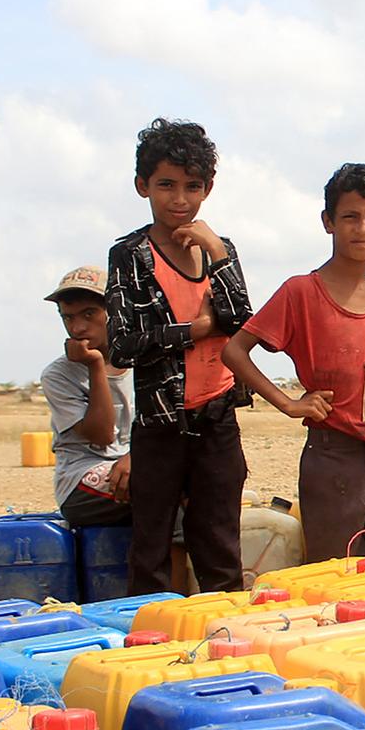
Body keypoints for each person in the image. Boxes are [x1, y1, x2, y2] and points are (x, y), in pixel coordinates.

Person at [224, 163, 365, 560]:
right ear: (328, 222)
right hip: (332, 455)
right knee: (336, 569)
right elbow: (235, 351)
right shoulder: (300, 293)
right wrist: (288, 404)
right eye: (350, 217)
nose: (363, 229)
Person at [106, 119, 251, 596]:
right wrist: (197, 329)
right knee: (150, 551)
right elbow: (123, 344)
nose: (179, 199)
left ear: (207, 189)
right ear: (142, 186)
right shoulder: (130, 255)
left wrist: (218, 255)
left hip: (217, 419)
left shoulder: (219, 250)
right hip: (160, 427)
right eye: (166, 185)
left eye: (192, 186)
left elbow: (245, 322)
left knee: (220, 548)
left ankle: (225, 649)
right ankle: (148, 648)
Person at [39, 266, 133, 524]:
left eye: (89, 314)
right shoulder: (59, 375)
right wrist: (95, 365)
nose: (77, 327)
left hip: (138, 463)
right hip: (81, 479)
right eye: (68, 318)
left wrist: (138, 457)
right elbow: (102, 435)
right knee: (157, 488)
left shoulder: (142, 359)